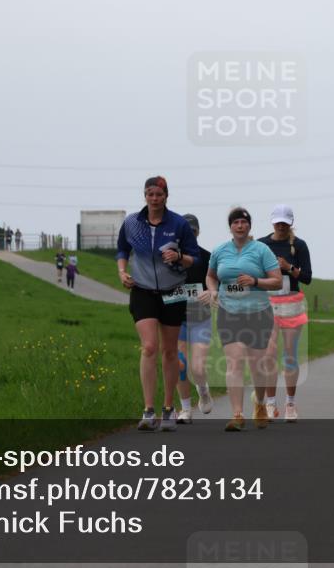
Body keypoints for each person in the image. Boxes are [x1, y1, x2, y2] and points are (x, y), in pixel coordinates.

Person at [116, 176, 199, 432]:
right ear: (144, 195)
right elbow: (121, 250)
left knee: (170, 351)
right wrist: (121, 272)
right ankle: (148, 410)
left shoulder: (178, 224)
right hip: (142, 290)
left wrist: (178, 256)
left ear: (166, 196)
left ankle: (168, 408)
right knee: (150, 347)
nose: (154, 199)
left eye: (159, 195)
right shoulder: (132, 222)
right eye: (150, 194)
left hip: (172, 291)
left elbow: (194, 258)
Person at [207, 207, 283, 431]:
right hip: (229, 311)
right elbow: (211, 276)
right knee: (235, 361)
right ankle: (237, 414)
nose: (240, 226)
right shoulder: (220, 250)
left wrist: (255, 281)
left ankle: (259, 404)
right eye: (236, 222)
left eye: (244, 222)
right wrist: (212, 291)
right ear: (230, 227)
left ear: (250, 226)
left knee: (258, 365)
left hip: (258, 312)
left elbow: (277, 281)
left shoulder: (262, 250)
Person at [257, 204, 312, 423]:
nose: (280, 225)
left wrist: (289, 267)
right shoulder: (261, 244)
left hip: (291, 303)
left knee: (289, 355)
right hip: (267, 303)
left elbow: (306, 277)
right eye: (277, 221)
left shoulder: (299, 245)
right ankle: (271, 404)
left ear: (290, 223)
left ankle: (290, 402)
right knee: (269, 355)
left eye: (284, 222)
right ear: (272, 221)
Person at [174, 214, 214, 424]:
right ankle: (185, 409)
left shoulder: (207, 257)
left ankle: (203, 390)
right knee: (180, 364)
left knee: (197, 367)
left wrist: (211, 292)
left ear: (198, 232)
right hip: (176, 318)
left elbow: (215, 284)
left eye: (193, 230)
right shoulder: (171, 258)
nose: (190, 234)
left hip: (200, 317)